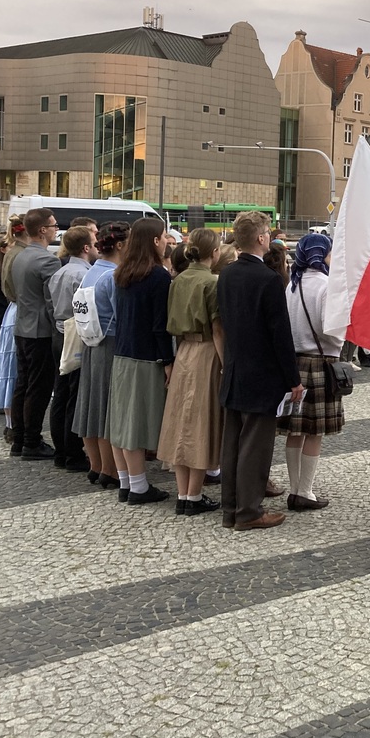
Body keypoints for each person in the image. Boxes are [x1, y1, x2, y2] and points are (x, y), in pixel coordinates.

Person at [217, 212, 303, 530]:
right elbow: (280, 334)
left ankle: (231, 508)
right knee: (255, 445)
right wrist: (292, 378)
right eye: (267, 232)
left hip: (235, 368)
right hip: (260, 373)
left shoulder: (226, 274)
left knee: (232, 443)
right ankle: (249, 512)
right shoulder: (267, 279)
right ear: (261, 238)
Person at [158, 228, 225, 516]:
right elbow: (219, 329)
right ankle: (193, 495)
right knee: (200, 421)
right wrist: (226, 364)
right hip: (207, 351)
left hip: (183, 350)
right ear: (215, 252)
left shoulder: (178, 279)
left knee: (179, 421)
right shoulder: (212, 282)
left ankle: (184, 493)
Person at [109, 217, 174, 505]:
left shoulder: (122, 272)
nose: (166, 242)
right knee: (135, 424)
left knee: (121, 422)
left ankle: (127, 482)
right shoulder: (157, 276)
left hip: (122, 354)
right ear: (154, 241)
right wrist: (168, 361)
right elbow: (160, 325)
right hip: (146, 356)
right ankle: (138, 487)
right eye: (163, 237)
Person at [279, 232, 346, 512]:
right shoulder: (325, 285)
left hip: (294, 363)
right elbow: (328, 329)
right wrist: (340, 341)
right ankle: (304, 491)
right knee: (314, 432)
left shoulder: (291, 286)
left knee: (295, 430)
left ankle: (295, 489)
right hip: (320, 363)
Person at [72, 222, 128, 490]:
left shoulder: (92, 271)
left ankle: (95, 465)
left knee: (90, 402)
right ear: (120, 245)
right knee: (107, 406)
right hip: (110, 341)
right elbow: (123, 316)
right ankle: (110, 469)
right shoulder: (115, 276)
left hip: (90, 340)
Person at [10, 209, 61, 458]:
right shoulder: (47, 260)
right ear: (42, 230)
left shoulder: (20, 255)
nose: (56, 229)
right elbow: (52, 300)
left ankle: (19, 437)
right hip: (39, 331)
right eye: (53, 225)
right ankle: (31, 440)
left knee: (23, 384)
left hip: (22, 327)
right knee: (38, 388)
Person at [47, 225, 95, 471]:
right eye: (94, 241)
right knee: (74, 395)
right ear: (86, 248)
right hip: (75, 333)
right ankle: (72, 452)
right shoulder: (84, 274)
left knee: (61, 392)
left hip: (59, 331)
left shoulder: (60, 271)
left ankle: (61, 450)